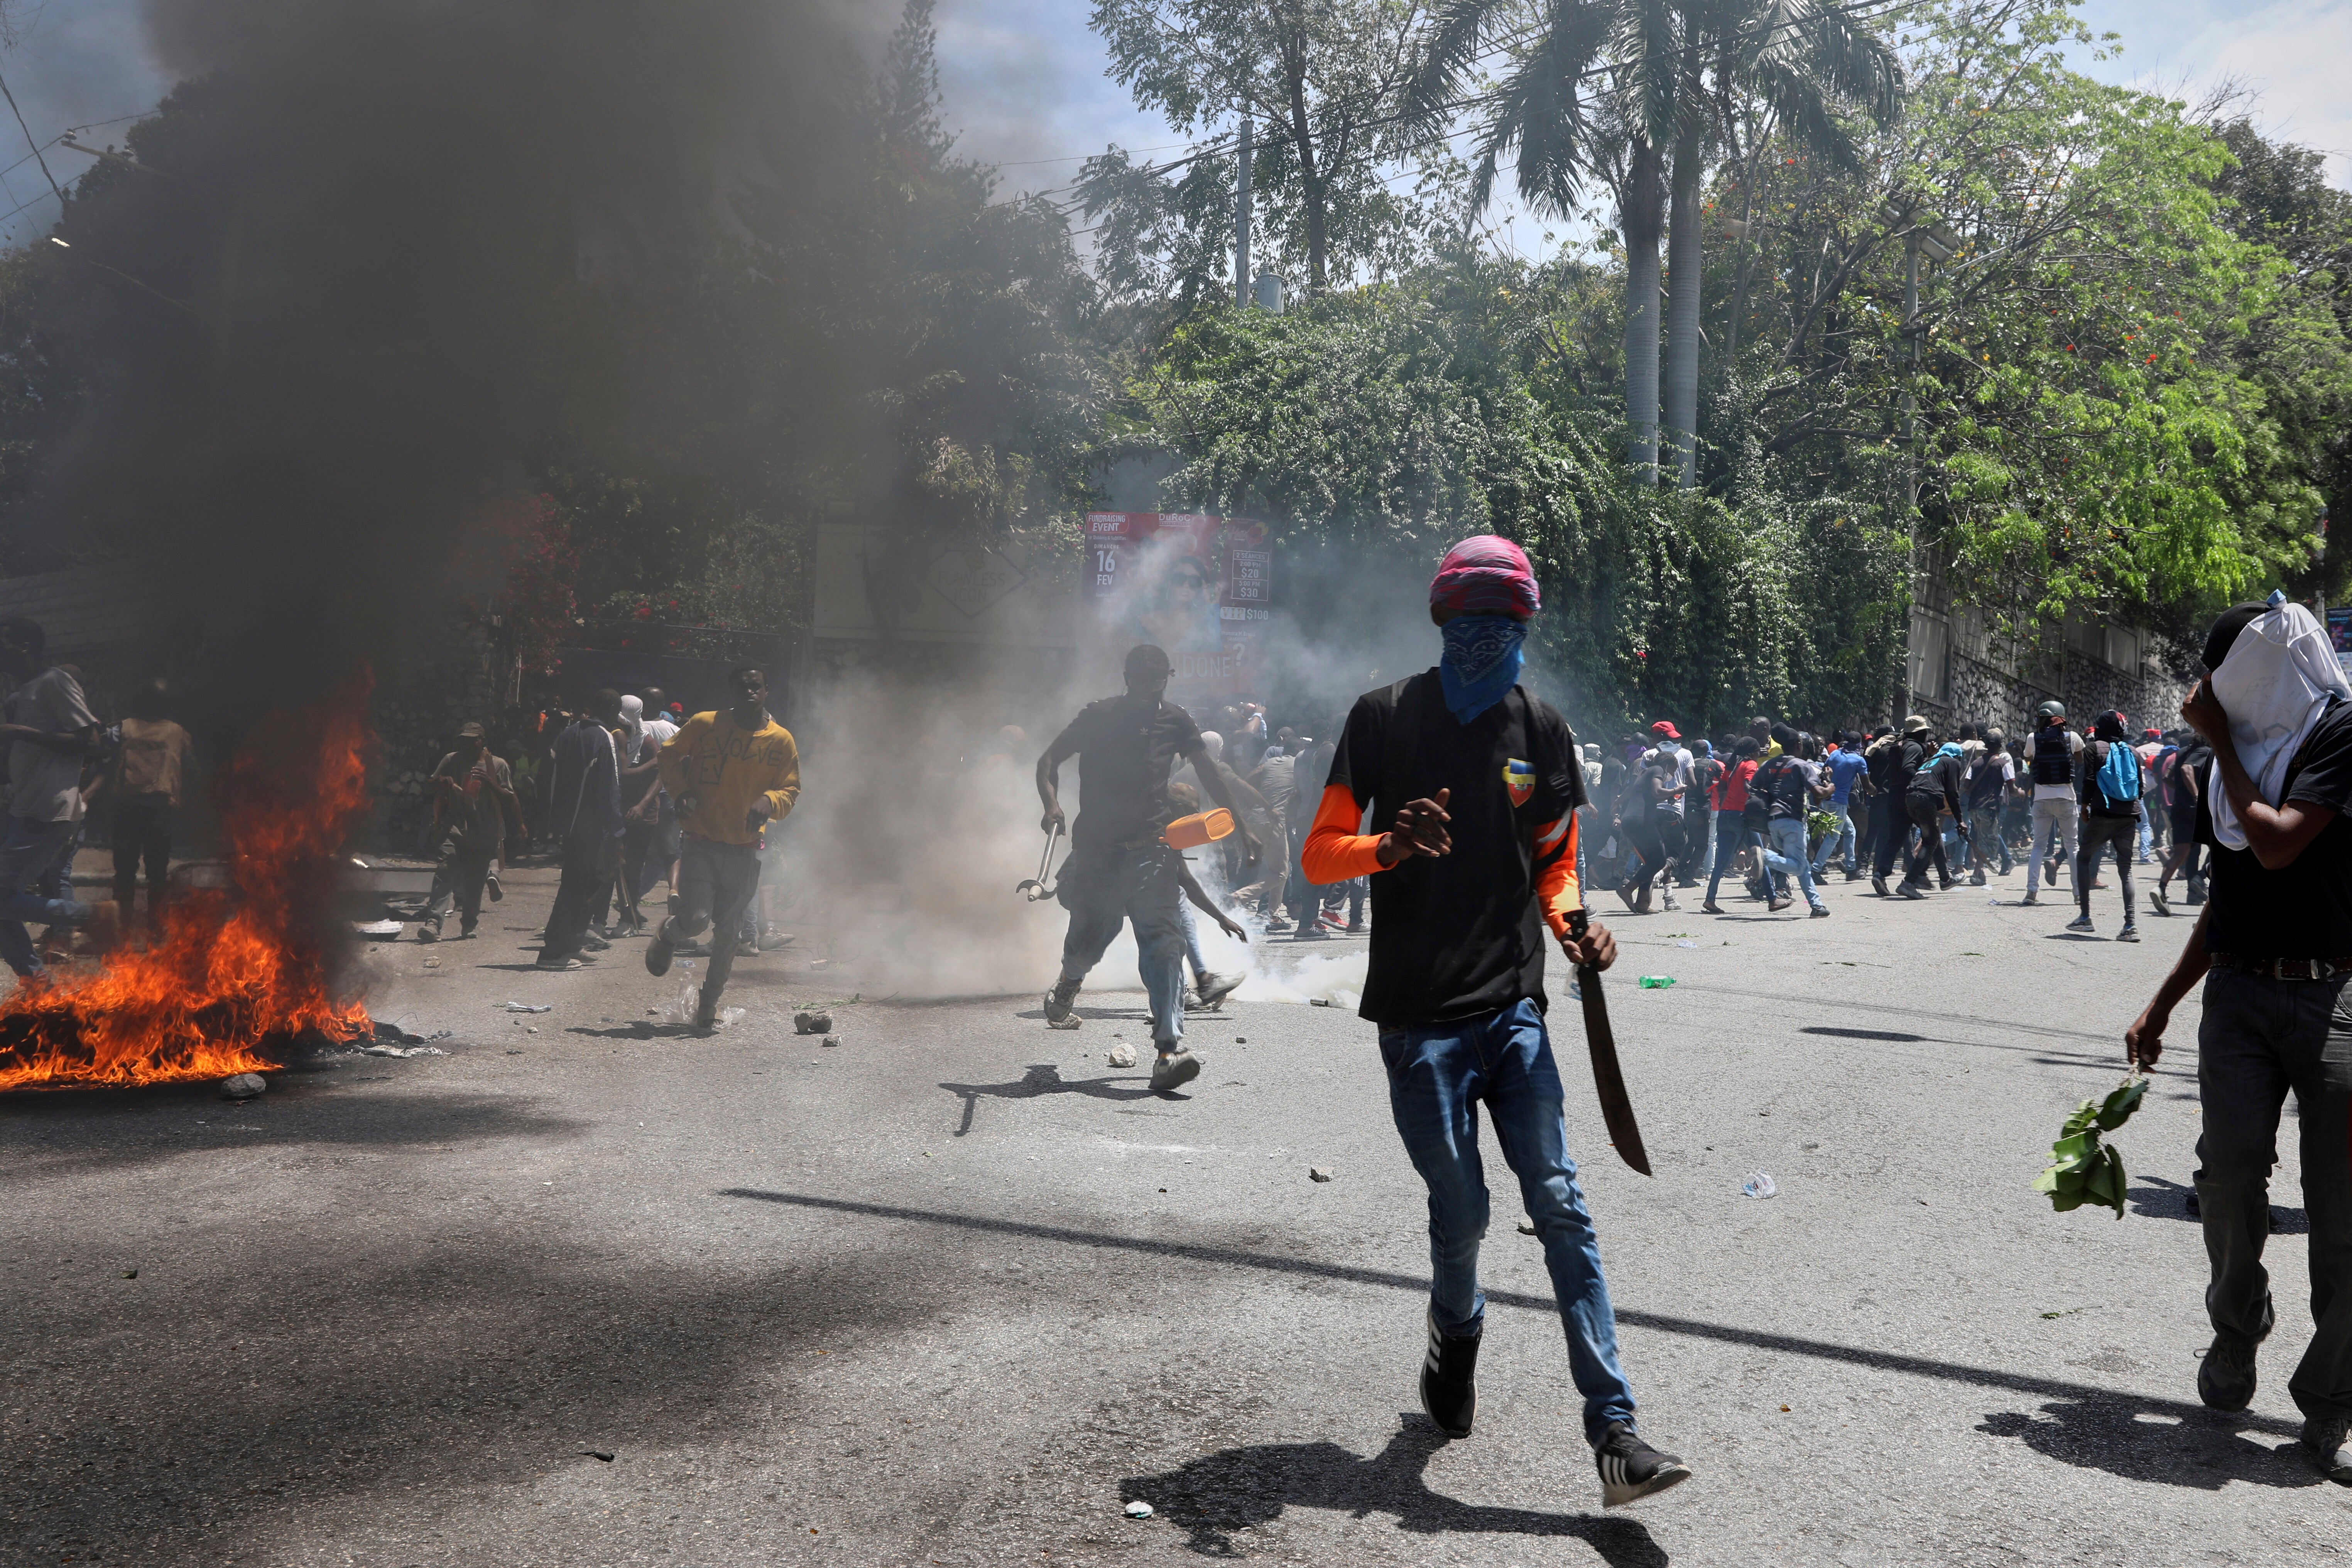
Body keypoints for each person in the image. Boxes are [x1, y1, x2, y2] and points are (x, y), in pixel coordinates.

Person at [1298, 534, 1690, 1509]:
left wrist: (1575, 927)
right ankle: (1454, 1324)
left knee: (1559, 1200)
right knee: (1461, 1211)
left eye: (1499, 623)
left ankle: (1614, 1430)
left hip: (1513, 1007)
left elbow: (1553, 856)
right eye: (1464, 622)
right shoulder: (1381, 717)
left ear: (1522, 628)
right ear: (1441, 623)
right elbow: (1315, 857)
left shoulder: (1541, 729)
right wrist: (1387, 843)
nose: (1480, 639)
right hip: (1415, 1021)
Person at [2124, 601, 2352, 1485]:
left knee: (2339, 1216)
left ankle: (2330, 1401)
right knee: (2221, 1179)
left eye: (2225, 680)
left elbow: (2275, 845)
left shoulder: (2334, 733)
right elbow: (2229, 899)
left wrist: (2216, 742)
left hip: (2331, 994)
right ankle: (2236, 1316)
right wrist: (2162, 1001)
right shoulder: (2236, 762)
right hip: (2239, 995)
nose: (2209, 695)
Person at [1035, 644, 1259, 1092]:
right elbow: (1048, 761)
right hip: (1098, 852)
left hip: (1152, 851)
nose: (1147, 690)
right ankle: (1067, 984)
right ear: (1126, 677)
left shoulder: (1176, 720)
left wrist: (1240, 824)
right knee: (1088, 939)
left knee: (1164, 946)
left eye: (1156, 682)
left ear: (1167, 679)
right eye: (1140, 680)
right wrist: (1052, 804)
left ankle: (1168, 1050)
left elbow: (1211, 773)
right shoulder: (1097, 716)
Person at [646, 667, 801, 1027]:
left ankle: (708, 1007)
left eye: (756, 687)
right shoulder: (705, 724)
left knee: (729, 934)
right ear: (733, 690)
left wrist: (770, 800)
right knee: (697, 921)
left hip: (745, 849)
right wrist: (681, 792)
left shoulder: (781, 741)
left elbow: (790, 790)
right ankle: (669, 933)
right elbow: (668, 757)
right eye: (743, 686)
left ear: (766, 691)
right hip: (701, 841)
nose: (750, 692)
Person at [0, 618, 117, 978]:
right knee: (3, 904)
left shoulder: (55, 681)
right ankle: (37, 984)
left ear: (23, 647)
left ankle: (91, 916)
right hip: (22, 810)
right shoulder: (18, 696)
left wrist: (21, 732)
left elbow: (91, 743)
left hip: (49, 812)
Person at [537, 691, 625, 971]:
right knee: (576, 890)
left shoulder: (568, 734)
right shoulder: (604, 737)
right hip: (590, 828)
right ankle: (553, 952)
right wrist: (618, 830)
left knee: (587, 884)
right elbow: (608, 787)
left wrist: (552, 821)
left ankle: (573, 943)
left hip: (568, 825)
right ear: (611, 710)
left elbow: (548, 775)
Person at [107, 676, 196, 935]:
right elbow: (191, 768)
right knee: (156, 870)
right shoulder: (177, 732)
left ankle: (121, 926)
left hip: (128, 806)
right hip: (159, 808)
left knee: (125, 869)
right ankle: (155, 926)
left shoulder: (123, 728)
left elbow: (105, 756)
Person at [419, 721, 516, 942]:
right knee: (446, 867)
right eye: (464, 740)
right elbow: (429, 786)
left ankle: (469, 924)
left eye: (473, 740)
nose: (468, 744)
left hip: (483, 832)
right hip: (454, 827)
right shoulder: (452, 759)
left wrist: (490, 783)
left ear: (483, 741)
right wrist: (440, 782)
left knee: (474, 881)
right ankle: (433, 923)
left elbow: (509, 798)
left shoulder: (498, 765)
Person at [2066, 710, 2144, 941]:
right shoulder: (2132, 751)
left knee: (2084, 858)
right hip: (2129, 815)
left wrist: (2084, 806)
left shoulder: (2094, 748)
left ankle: (2085, 918)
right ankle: (2130, 926)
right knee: (2126, 868)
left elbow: (2089, 780)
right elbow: (2139, 786)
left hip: (2103, 813)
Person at [1752, 727, 1830, 916]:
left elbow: (1753, 787)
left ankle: (1817, 906)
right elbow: (1819, 794)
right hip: (1792, 822)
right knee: (1799, 866)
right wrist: (1830, 783)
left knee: (1800, 862)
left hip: (1773, 822)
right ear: (1798, 745)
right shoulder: (1801, 766)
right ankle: (1765, 856)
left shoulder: (1769, 765)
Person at [2022, 701, 2082, 907]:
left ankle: (2031, 892)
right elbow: (2080, 760)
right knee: (2072, 846)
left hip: (2041, 799)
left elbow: (2028, 756)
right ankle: (2077, 894)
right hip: (2066, 797)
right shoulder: (2072, 737)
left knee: (2038, 846)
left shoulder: (2033, 738)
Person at [1897, 727, 1966, 899]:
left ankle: (1945, 879)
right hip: (1925, 801)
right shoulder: (1953, 762)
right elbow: (1952, 793)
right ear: (1957, 756)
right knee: (1930, 842)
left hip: (1911, 799)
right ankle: (1909, 882)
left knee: (1933, 838)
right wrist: (1960, 820)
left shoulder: (1931, 761)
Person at [1701, 737, 1761, 914]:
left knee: (1721, 862)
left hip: (1724, 813)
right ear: (1752, 752)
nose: (1759, 754)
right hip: (1740, 815)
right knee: (1761, 854)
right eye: (1758, 751)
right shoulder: (1750, 765)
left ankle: (1710, 900)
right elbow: (1748, 785)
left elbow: (1722, 787)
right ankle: (1773, 898)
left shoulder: (1733, 765)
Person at [2155, 727, 2210, 914]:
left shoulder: (2182, 752)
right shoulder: (2205, 752)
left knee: (2185, 852)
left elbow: (2167, 777)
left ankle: (2162, 889)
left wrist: (2182, 791)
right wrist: (2196, 796)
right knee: (2223, 847)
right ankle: (2200, 878)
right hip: (2196, 809)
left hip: (2179, 808)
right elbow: (2187, 770)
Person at [1811, 732, 1870, 881]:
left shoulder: (1836, 753)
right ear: (1860, 744)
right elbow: (1867, 785)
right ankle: (1816, 870)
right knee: (1834, 836)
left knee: (1850, 832)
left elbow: (1825, 772)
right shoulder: (1859, 760)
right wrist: (1877, 791)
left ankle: (1851, 869)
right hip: (1840, 802)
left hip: (1826, 799)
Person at [1963, 728, 2014, 884]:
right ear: (2000, 746)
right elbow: (2012, 789)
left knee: (1980, 838)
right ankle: (1977, 874)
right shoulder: (2003, 764)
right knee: (1989, 843)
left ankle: (1981, 872)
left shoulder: (1976, 763)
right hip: (1990, 808)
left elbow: (1966, 785)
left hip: (1974, 808)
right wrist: (2022, 793)